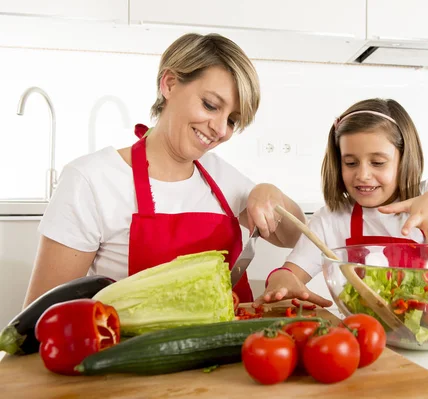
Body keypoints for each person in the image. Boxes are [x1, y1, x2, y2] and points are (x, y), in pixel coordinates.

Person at [24, 33, 306, 306]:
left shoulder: (222, 177)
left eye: (232, 120)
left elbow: (293, 236)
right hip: (136, 353)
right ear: (169, 84)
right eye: (210, 105)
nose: (220, 130)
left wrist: (271, 194)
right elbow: (42, 320)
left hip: (232, 352)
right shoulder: (91, 180)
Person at [254, 98, 428, 308]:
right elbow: (290, 273)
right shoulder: (332, 219)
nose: (362, 174)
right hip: (368, 338)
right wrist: (283, 282)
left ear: (404, 158)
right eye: (350, 162)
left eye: (378, 162)